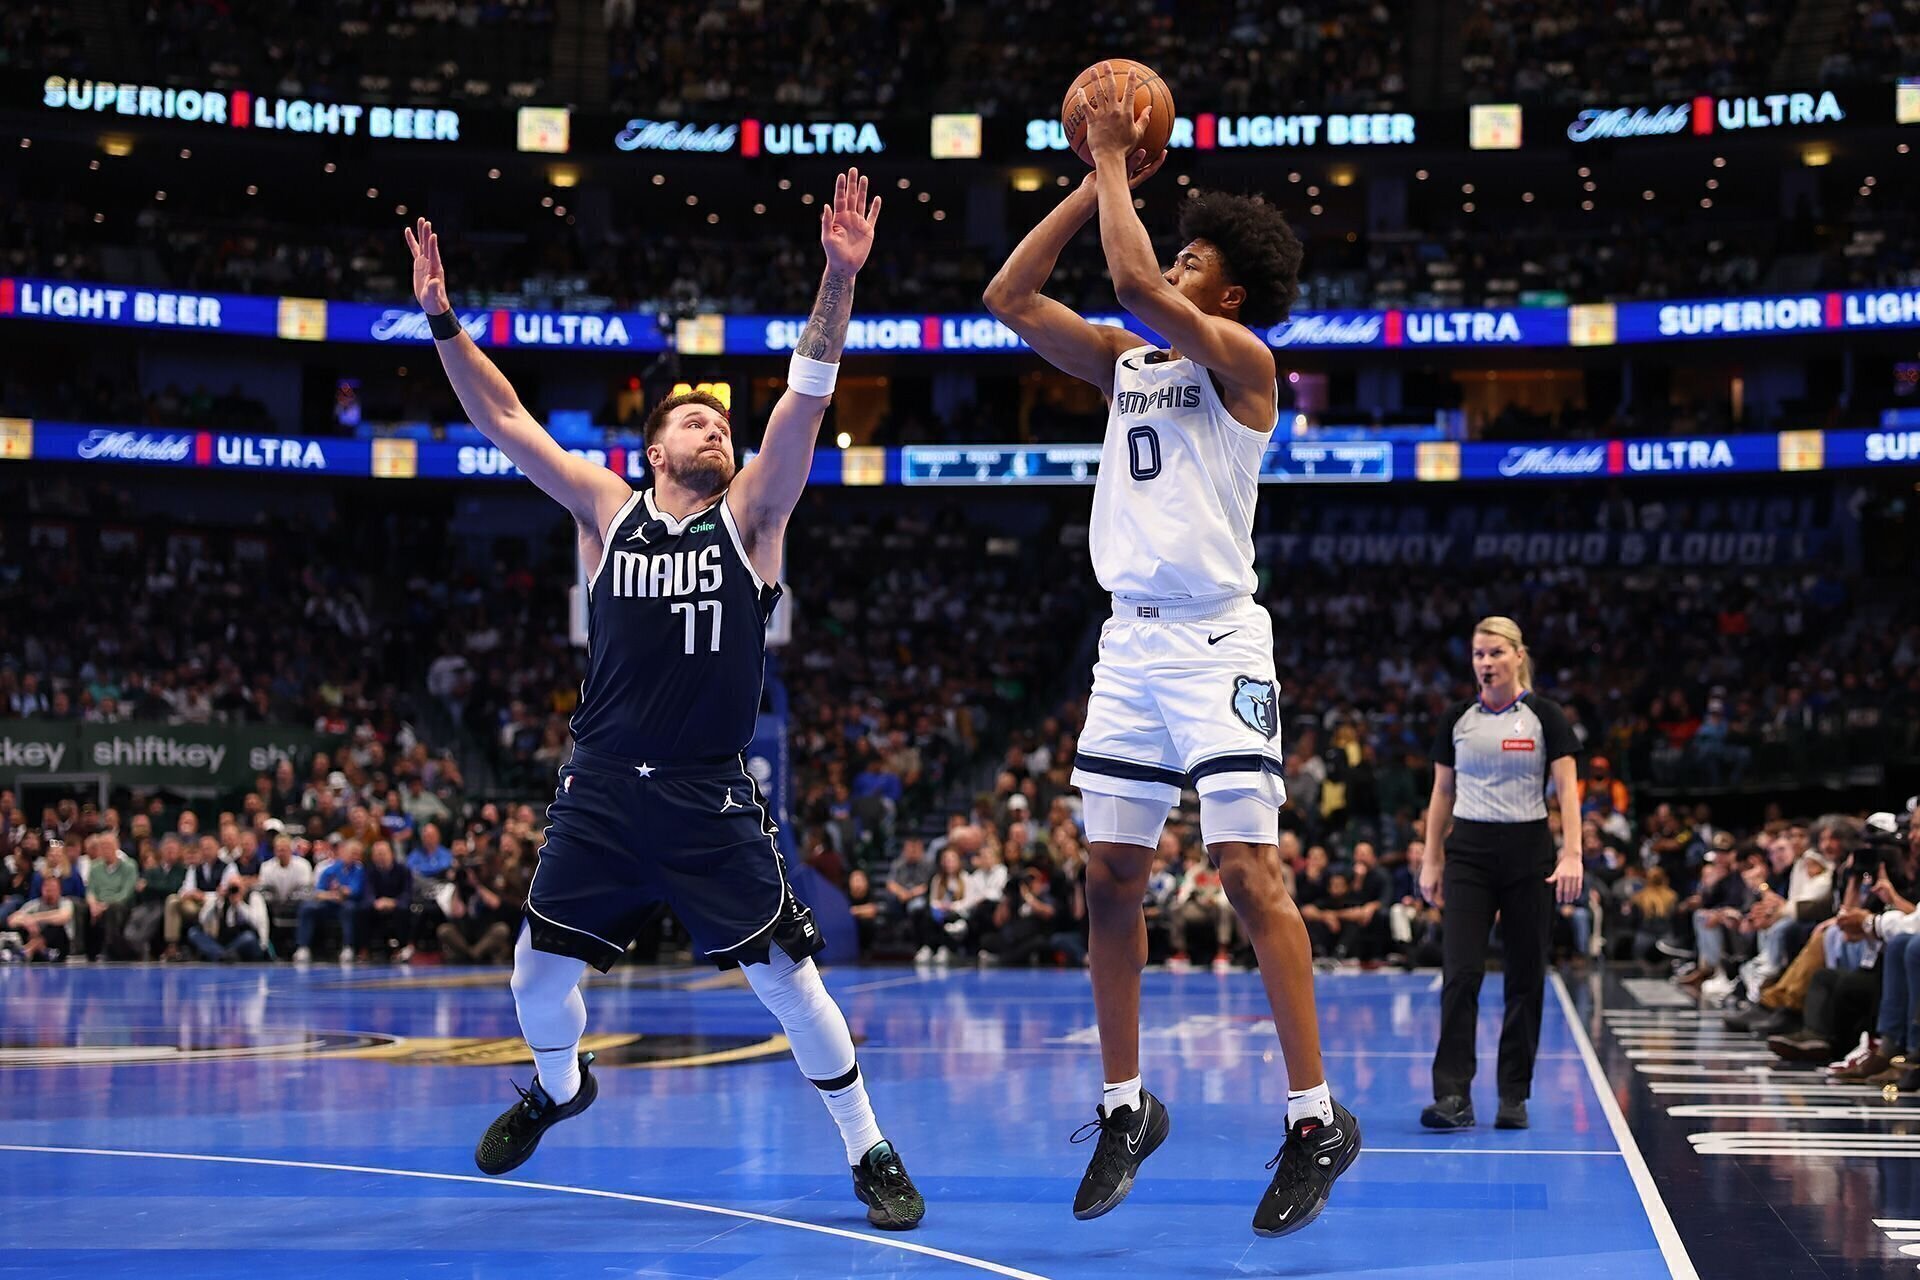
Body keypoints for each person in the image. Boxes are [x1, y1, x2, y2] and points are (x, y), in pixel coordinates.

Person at [406, 173, 923, 1232]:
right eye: (694, 417)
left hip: (705, 793)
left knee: (792, 985)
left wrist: (837, 274)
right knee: (533, 982)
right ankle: (558, 1086)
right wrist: (445, 320)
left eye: (720, 420)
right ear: (651, 452)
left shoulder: (755, 516)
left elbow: (809, 391)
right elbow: (503, 414)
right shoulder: (605, 510)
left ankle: (868, 1148)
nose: (715, 427)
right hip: (600, 786)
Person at [985, 63, 1357, 1236]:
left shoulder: (1245, 367)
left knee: (1248, 875)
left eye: (1197, 259)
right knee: (1108, 878)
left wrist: (1114, 161)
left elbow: (1139, 281)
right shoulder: (1127, 363)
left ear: (1231, 291)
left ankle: (1315, 1116)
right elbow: (1008, 294)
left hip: (1218, 642)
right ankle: (1126, 1102)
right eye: (1176, 250)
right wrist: (1087, 175)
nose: (1174, 262)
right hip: (1129, 649)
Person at [1419, 617, 1583, 1132]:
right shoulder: (1457, 719)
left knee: (1525, 976)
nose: (1485, 664)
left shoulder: (1545, 717)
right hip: (1468, 850)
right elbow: (1442, 792)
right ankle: (1452, 1096)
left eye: (1494, 654)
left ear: (1517, 656)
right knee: (1461, 973)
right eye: (1477, 655)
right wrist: (1431, 857)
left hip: (1528, 850)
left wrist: (1572, 854)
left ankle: (1514, 1094)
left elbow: (1568, 790)